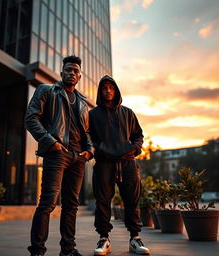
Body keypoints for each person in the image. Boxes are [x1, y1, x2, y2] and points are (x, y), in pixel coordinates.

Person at [25, 55, 94, 256]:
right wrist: (51, 142)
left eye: (75, 71)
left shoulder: (82, 102)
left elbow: (87, 131)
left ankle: (68, 249)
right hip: (57, 154)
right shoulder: (47, 90)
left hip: (78, 157)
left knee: (72, 205)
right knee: (48, 202)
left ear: (80, 76)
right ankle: (37, 251)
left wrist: (90, 151)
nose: (72, 73)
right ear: (62, 71)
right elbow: (31, 119)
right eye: (68, 69)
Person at [89, 75, 150, 255]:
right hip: (104, 163)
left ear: (116, 90)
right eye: (104, 88)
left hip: (128, 163)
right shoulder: (93, 115)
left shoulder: (128, 113)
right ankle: (104, 239)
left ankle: (135, 238)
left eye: (111, 88)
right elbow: (89, 138)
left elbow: (138, 135)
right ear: (100, 91)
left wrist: (135, 149)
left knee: (132, 200)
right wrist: (99, 149)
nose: (108, 91)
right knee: (103, 202)